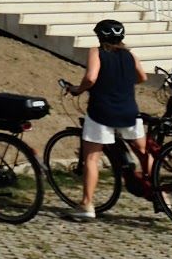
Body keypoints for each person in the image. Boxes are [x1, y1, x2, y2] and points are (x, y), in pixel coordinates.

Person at [63, 18, 149, 221]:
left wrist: (78, 89)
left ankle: (86, 204)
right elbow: (142, 77)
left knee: (92, 158)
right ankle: (158, 192)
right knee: (144, 152)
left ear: (100, 36)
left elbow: (91, 77)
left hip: (102, 111)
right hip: (129, 111)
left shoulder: (96, 52)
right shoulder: (130, 55)